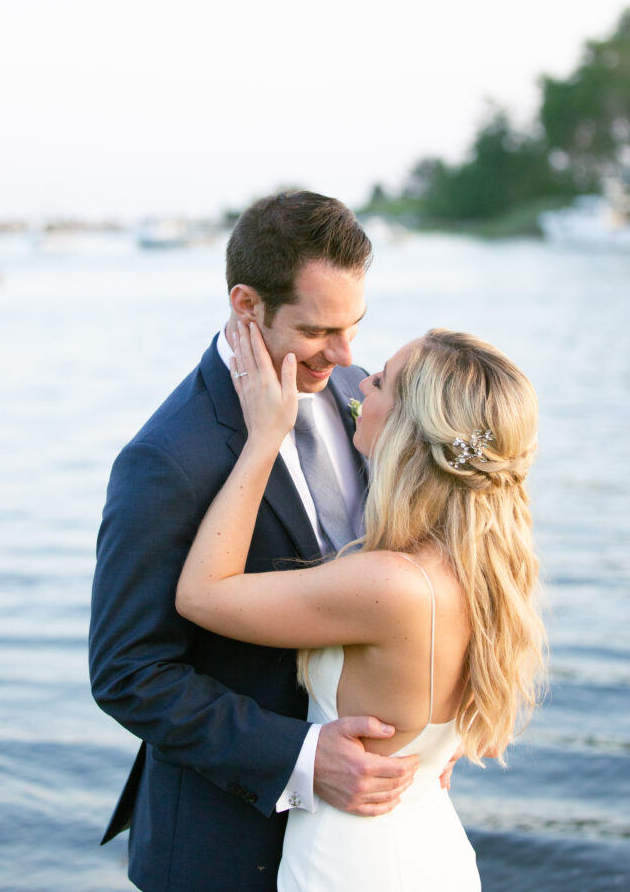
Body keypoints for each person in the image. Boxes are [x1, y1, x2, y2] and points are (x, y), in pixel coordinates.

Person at [89, 191, 421, 892]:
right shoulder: (168, 457)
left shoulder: (365, 395)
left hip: (367, 833)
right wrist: (301, 755)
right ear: (246, 305)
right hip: (223, 847)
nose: (344, 354)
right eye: (317, 330)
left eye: (353, 325)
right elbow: (128, 671)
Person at [176, 322, 546, 891]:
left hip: (356, 863)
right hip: (427, 845)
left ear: (407, 428)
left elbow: (202, 594)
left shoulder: (391, 585)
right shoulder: (483, 567)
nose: (358, 389)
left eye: (380, 382)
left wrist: (263, 440)